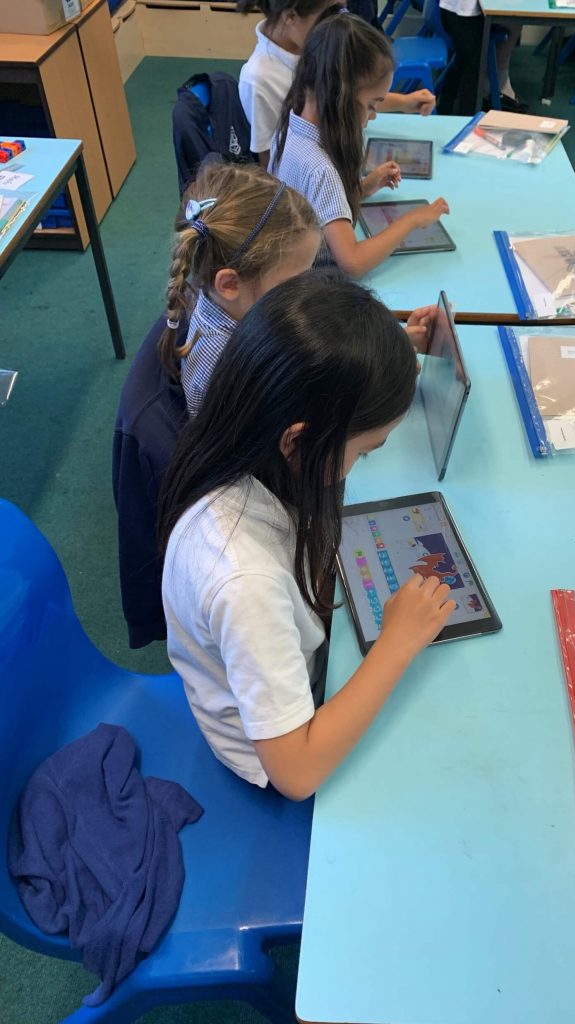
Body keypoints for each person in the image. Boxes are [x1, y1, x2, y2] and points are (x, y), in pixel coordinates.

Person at [159, 273, 456, 799]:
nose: (359, 466)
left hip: (284, 665)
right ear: (297, 441)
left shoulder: (243, 440)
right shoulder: (245, 581)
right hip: (272, 755)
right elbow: (295, 774)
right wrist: (398, 641)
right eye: (364, 451)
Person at [270, 14, 450, 277]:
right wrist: (412, 219)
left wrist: (364, 188)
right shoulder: (321, 167)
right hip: (314, 287)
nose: (373, 116)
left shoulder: (289, 126)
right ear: (340, 97)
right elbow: (352, 262)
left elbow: (315, 206)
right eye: (371, 105)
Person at [158, 158, 321, 416]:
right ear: (230, 284)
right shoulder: (230, 373)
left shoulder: (232, 305)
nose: (307, 289)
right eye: (294, 282)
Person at [237, 0, 436, 164]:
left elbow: (351, 94)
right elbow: (271, 165)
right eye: (331, 13)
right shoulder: (258, 79)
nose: (340, 21)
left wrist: (405, 102)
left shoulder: (312, 44)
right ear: (290, 16)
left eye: (342, 9)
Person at [437, 0, 526, 118]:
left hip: (454, 11)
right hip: (462, 14)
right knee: (472, 65)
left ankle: (447, 107)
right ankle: (467, 119)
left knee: (464, 59)